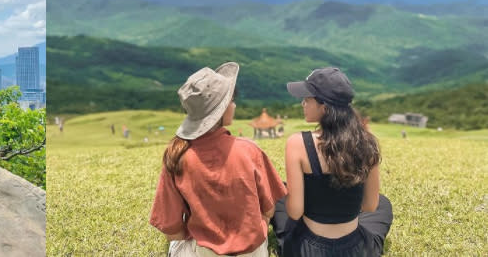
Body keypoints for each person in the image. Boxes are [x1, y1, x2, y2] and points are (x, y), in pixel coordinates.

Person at [150, 62, 287, 257]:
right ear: (221, 110)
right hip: (252, 251)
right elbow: (269, 211)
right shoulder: (250, 151)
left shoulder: (177, 155)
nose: (235, 104)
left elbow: (172, 231)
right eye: (231, 100)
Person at [272, 67, 393, 257]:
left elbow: (295, 213)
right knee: (383, 204)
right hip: (356, 249)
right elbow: (370, 206)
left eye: (307, 98)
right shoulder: (368, 142)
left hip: (307, 250)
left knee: (280, 197)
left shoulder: (297, 143)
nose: (302, 102)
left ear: (325, 108)